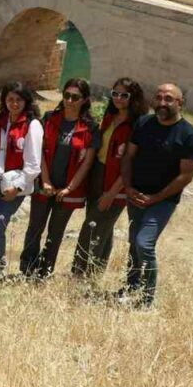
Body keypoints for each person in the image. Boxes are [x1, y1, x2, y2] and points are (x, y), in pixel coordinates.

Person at [118, 82, 193, 307]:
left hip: (162, 201)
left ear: (180, 103)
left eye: (169, 99)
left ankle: (147, 299)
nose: (162, 103)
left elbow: (185, 176)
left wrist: (156, 198)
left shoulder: (189, 135)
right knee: (134, 242)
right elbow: (128, 156)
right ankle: (131, 287)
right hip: (135, 194)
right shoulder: (144, 123)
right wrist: (128, 187)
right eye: (159, 98)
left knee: (144, 243)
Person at [20, 78, 95, 279]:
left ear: (84, 100)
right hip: (45, 184)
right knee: (34, 228)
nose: (70, 100)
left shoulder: (90, 127)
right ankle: (27, 270)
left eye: (75, 97)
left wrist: (70, 188)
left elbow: (87, 162)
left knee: (56, 233)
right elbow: (40, 152)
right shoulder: (50, 118)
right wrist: (44, 180)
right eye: (67, 95)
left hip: (69, 190)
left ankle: (45, 272)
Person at [72, 78, 147, 278]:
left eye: (124, 95)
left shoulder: (138, 125)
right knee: (103, 227)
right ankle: (95, 272)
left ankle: (79, 273)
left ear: (134, 98)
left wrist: (112, 193)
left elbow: (131, 163)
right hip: (98, 175)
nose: (118, 99)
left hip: (118, 183)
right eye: (115, 93)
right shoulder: (109, 116)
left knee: (92, 226)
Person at [0, 82, 42, 279]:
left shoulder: (32, 125)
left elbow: (33, 163)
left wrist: (18, 187)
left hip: (14, 186)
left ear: (26, 101)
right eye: (10, 99)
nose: (14, 103)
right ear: (4, 100)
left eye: (18, 100)